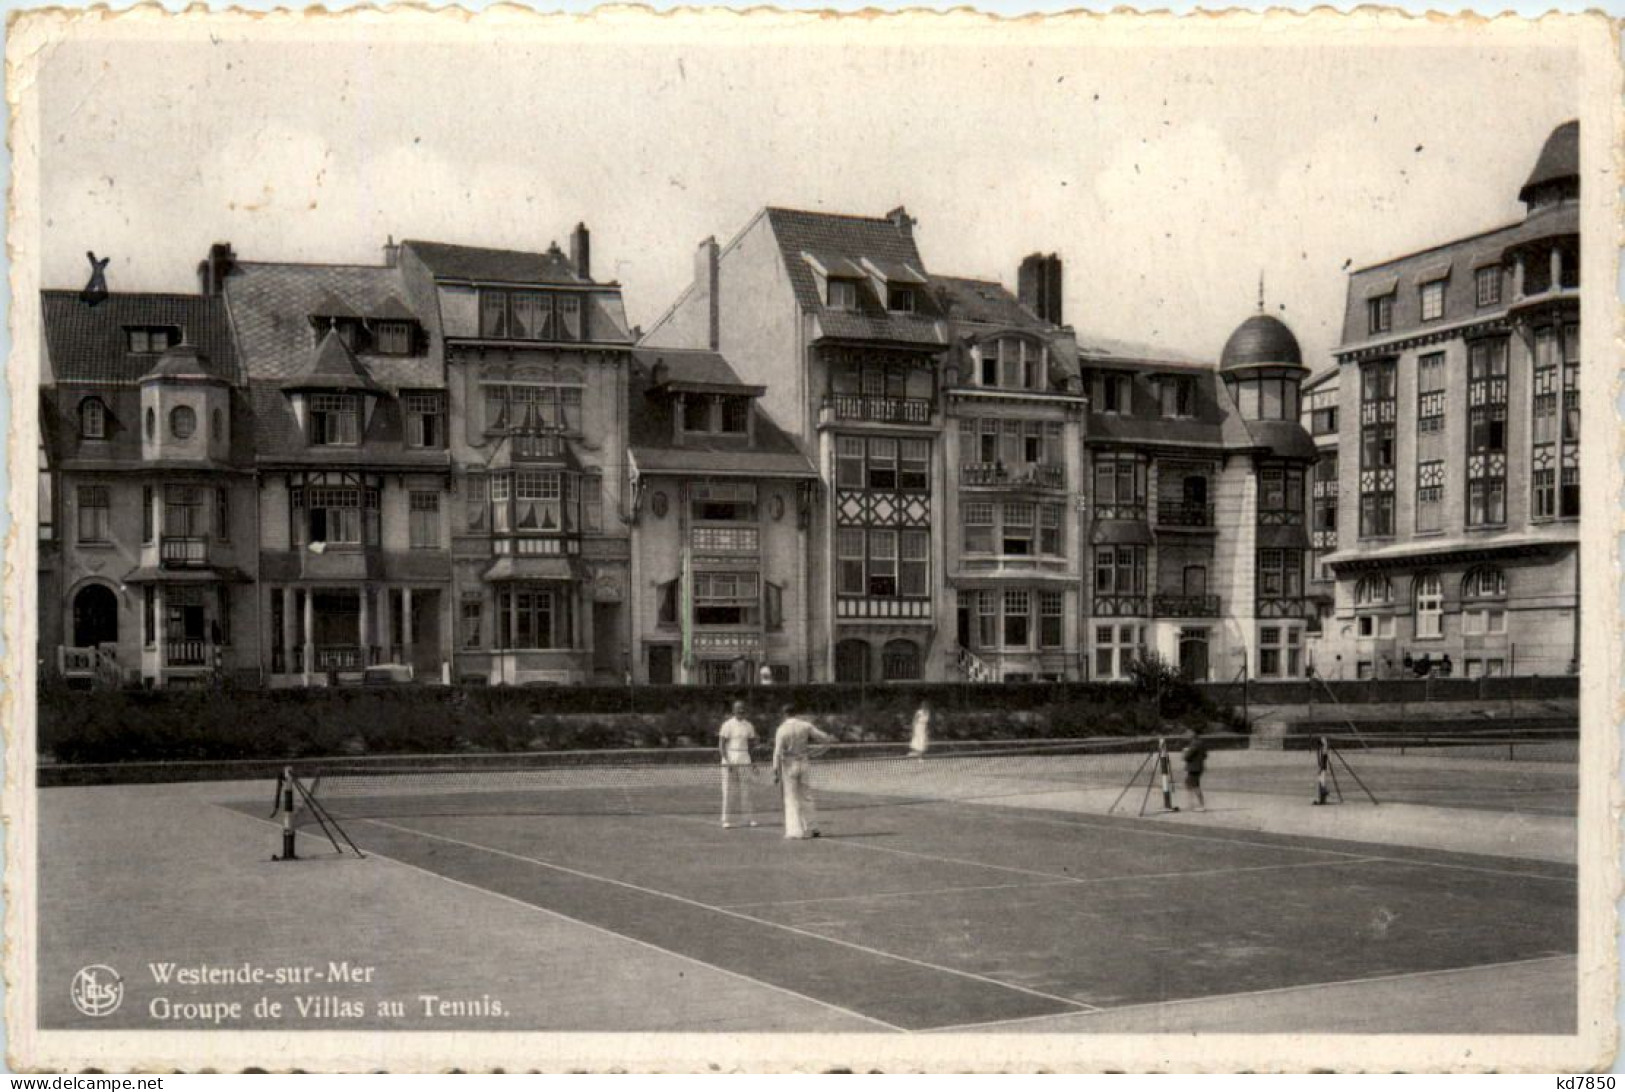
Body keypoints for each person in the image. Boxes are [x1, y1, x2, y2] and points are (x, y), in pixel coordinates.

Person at [772, 704, 835, 840]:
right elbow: (825, 738)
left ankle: (795, 831)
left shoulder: (781, 729)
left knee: (790, 797)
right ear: (796, 713)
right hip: (804, 763)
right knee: (807, 796)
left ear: (784, 714)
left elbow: (777, 752)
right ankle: (814, 828)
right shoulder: (805, 725)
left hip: (789, 765)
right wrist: (817, 751)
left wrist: (775, 770)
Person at [717, 700, 759, 829]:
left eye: (743, 709)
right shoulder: (727, 725)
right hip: (730, 757)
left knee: (747, 790)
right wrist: (727, 761)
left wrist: (753, 762)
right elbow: (721, 745)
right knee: (728, 790)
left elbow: (751, 746)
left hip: (744, 757)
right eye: (738, 709)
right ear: (733, 710)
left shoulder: (749, 726)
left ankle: (748, 818)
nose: (741, 711)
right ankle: (726, 819)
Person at [1181, 727, 1209, 812]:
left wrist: (1185, 751)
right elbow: (1205, 755)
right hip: (1198, 766)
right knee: (1189, 784)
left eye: (1189, 733)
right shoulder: (1201, 742)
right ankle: (1191, 804)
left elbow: (1186, 757)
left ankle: (1200, 805)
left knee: (1194, 785)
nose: (1187, 735)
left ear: (1193, 733)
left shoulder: (1194, 743)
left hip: (1194, 768)